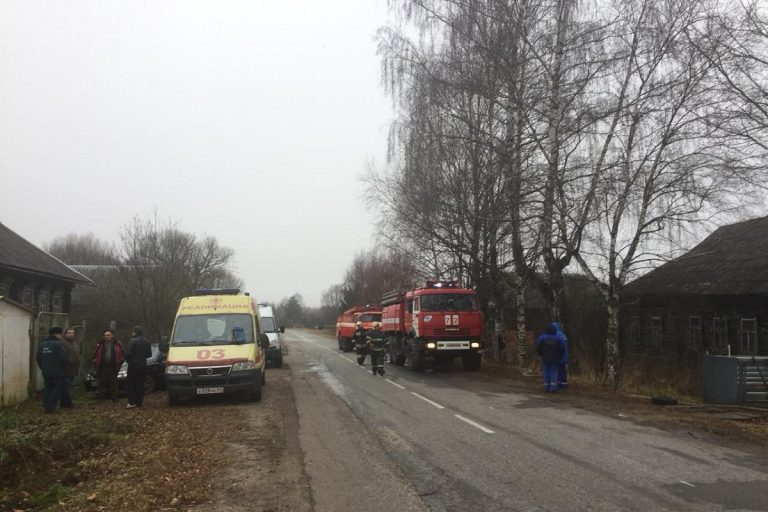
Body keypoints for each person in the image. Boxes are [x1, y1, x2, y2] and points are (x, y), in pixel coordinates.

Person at [36, 326, 67, 413]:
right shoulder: (58, 344)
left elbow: (38, 358)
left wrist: (42, 367)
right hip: (58, 371)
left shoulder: (42, 344)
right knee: (56, 389)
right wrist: (64, 367)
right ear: (57, 334)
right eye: (60, 334)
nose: (61, 336)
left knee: (48, 388)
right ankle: (51, 407)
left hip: (46, 371)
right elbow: (63, 358)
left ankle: (46, 406)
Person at [124, 326, 153, 408]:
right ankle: (139, 402)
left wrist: (129, 361)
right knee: (140, 384)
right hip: (143, 365)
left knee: (130, 384)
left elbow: (128, 353)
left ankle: (132, 402)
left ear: (135, 332)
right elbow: (149, 354)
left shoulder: (132, 341)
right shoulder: (147, 341)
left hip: (133, 365)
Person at [93, 329, 124, 401]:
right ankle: (100, 396)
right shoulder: (100, 344)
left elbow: (122, 354)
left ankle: (114, 397)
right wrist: (95, 361)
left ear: (112, 336)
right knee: (101, 382)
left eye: (108, 335)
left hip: (113, 366)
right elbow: (95, 354)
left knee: (113, 382)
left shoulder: (118, 344)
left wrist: (120, 361)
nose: (106, 336)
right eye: (105, 335)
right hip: (102, 366)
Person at [535, 324, 566, 393]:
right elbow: (562, 349)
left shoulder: (542, 338)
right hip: (555, 358)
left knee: (546, 372)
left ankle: (546, 387)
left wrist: (541, 354)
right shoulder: (558, 338)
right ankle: (553, 388)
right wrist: (560, 356)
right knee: (554, 372)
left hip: (545, 357)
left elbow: (538, 347)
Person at [61, 327, 80, 408]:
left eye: (72, 333)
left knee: (68, 386)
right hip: (66, 368)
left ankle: (65, 402)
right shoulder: (63, 343)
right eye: (69, 333)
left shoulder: (74, 343)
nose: (71, 334)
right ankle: (67, 403)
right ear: (65, 334)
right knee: (66, 387)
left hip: (73, 368)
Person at [553, 322, 569, 390]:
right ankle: (564, 384)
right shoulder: (562, 334)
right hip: (565, 355)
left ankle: (560, 385)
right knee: (562, 370)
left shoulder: (556, 335)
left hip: (559, 356)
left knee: (558, 370)